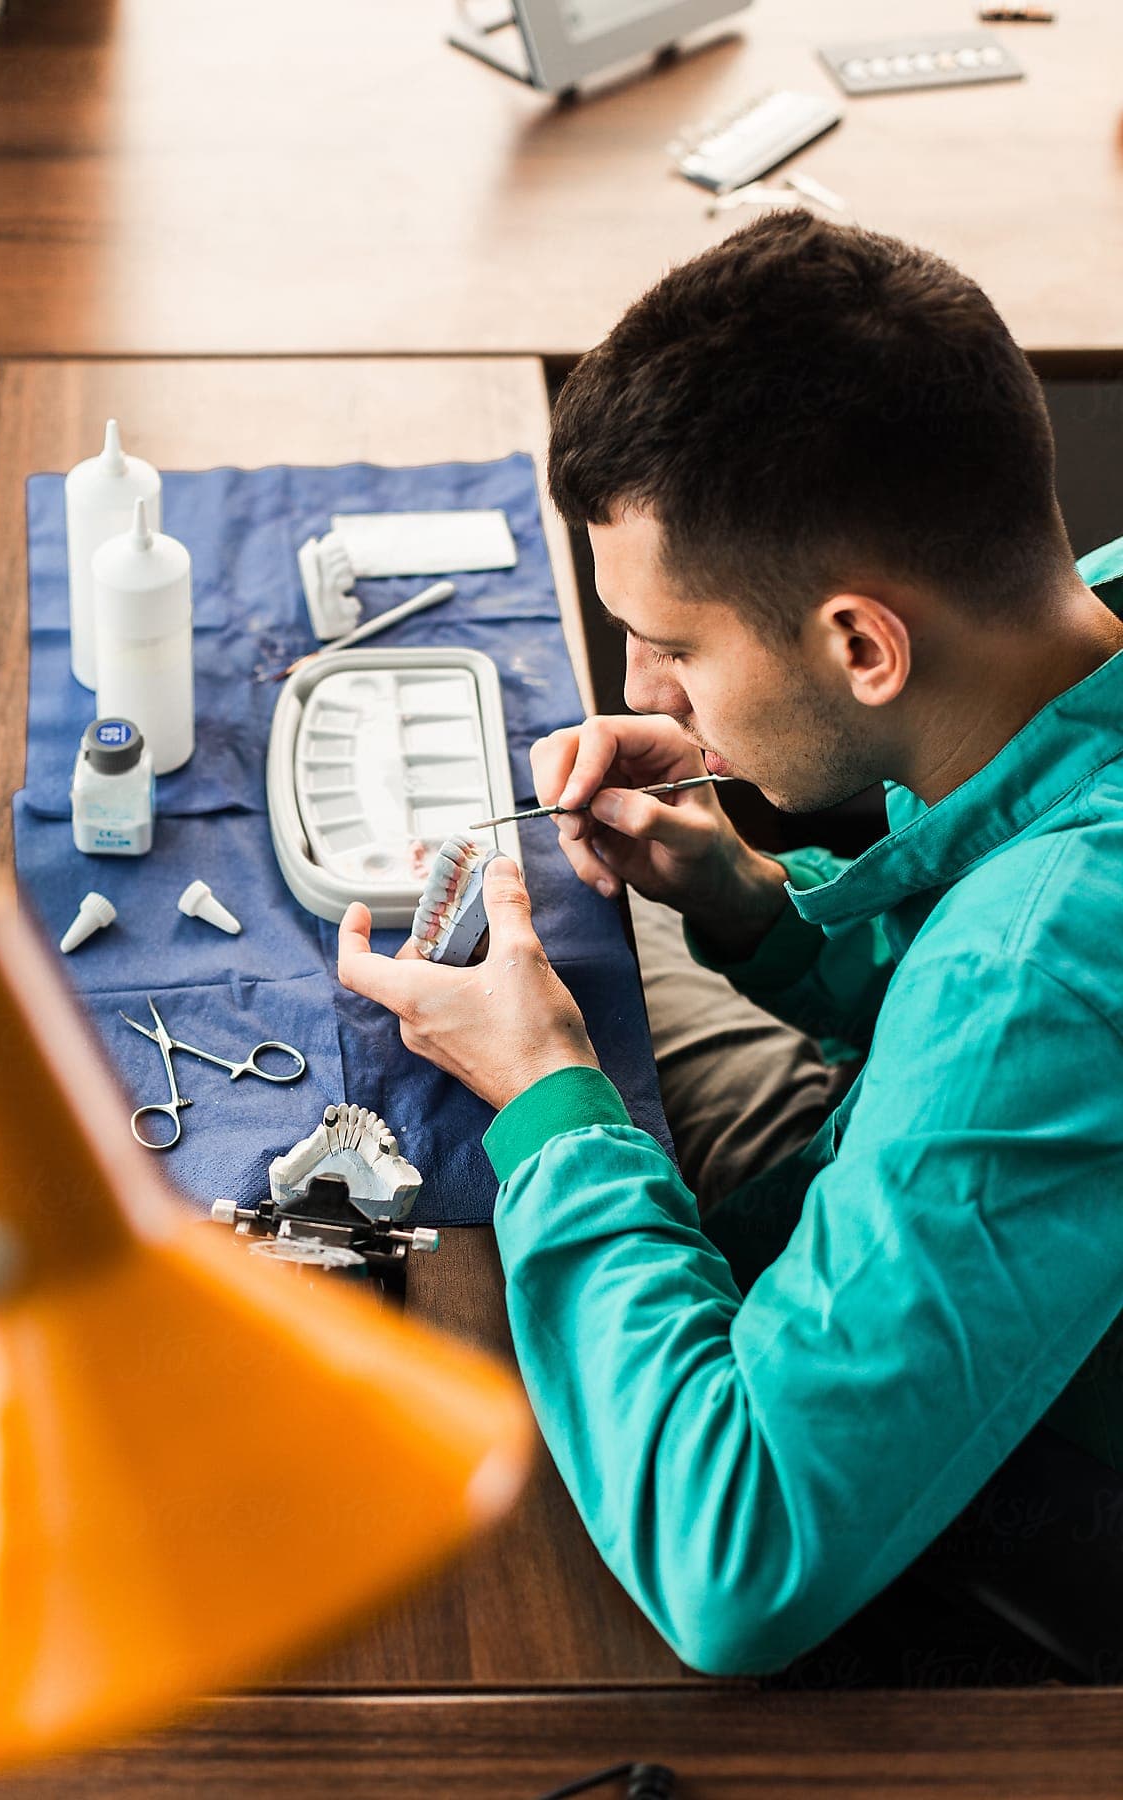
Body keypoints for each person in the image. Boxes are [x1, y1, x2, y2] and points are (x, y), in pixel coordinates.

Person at [337, 210, 1123, 1674]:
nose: (643, 689)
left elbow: (738, 1560)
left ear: (863, 647)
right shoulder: (1076, 632)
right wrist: (757, 905)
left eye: (675, 647)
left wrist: (553, 1107)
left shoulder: (1035, 975)